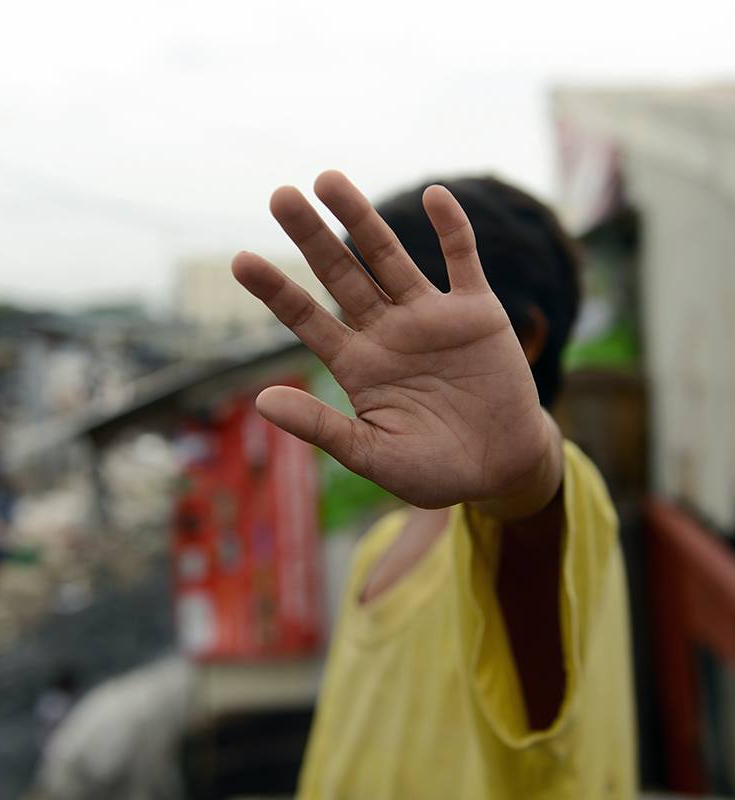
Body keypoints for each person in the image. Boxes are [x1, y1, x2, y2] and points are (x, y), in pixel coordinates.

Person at [231, 170, 636, 798]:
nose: (361, 365)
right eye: (353, 329)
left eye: (395, 331)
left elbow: (531, 522)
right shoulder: (380, 545)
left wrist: (520, 477)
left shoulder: (559, 519)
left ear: (525, 338)